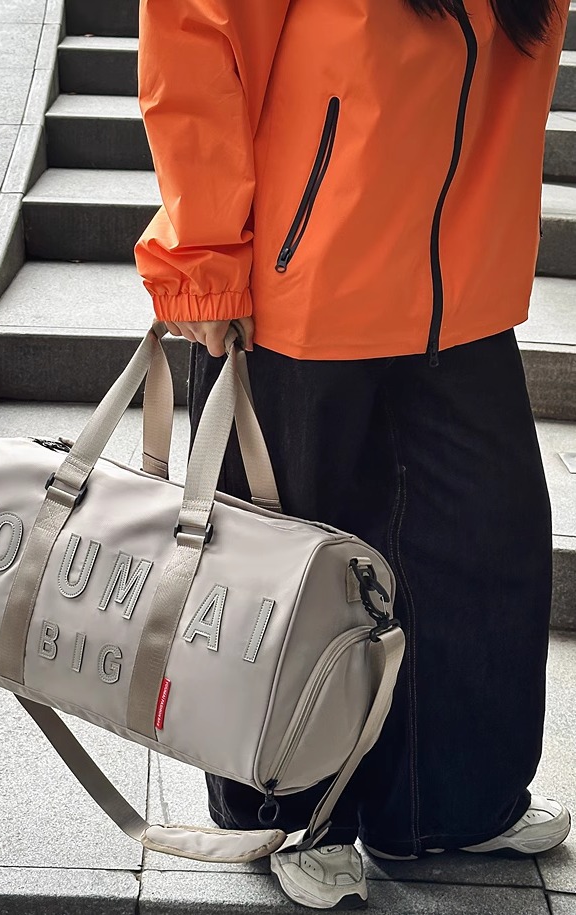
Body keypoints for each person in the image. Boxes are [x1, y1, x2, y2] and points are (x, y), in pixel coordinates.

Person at [134, 0, 572, 908]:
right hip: (304, 278)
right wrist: (208, 255)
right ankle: (289, 812)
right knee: (285, 567)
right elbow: (196, 28)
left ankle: (450, 803)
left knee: (485, 542)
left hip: (458, 281)